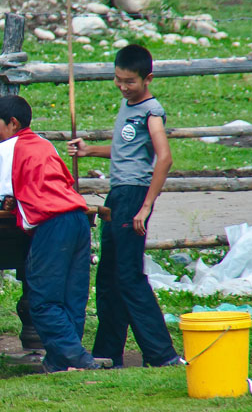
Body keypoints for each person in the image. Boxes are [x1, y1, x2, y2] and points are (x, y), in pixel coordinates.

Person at [67, 44, 182, 368]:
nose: (122, 86)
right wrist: (88, 151)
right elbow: (124, 150)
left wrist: (145, 207)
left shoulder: (151, 111)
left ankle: (162, 355)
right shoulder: (126, 104)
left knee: (129, 277)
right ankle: (107, 354)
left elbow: (165, 157)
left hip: (134, 195)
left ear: (148, 78)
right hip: (117, 194)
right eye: (118, 79)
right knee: (108, 277)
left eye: (129, 81)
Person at [0, 94, 101, 372]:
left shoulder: (4, 149)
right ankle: (60, 361)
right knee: (72, 298)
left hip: (52, 224)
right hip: (78, 218)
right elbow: (66, 180)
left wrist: (9, 200)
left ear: (12, 123)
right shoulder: (44, 143)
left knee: (43, 301)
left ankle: (78, 358)